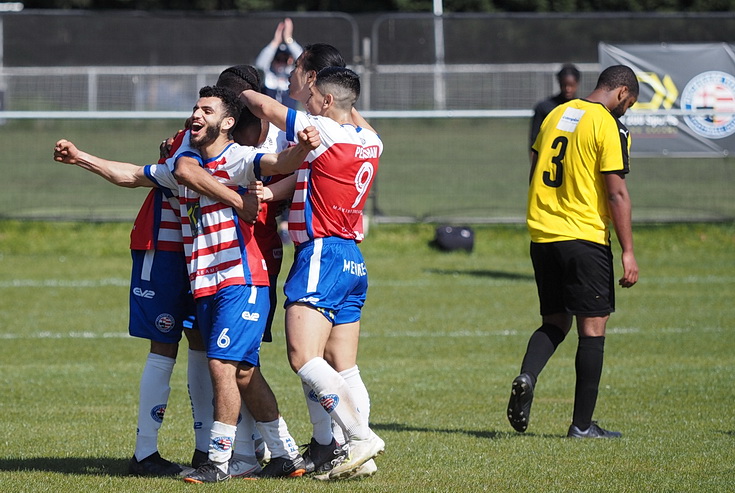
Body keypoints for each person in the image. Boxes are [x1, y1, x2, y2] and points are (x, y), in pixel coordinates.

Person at [53, 85, 321, 482]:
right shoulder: (182, 166)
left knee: (221, 364)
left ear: (227, 123)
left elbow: (281, 161)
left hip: (241, 278)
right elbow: (128, 174)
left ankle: (217, 460)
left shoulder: (240, 159)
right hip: (206, 283)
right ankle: (285, 455)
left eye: (207, 110)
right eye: (195, 108)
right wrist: (80, 158)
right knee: (244, 371)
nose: (196, 115)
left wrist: (303, 146)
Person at [241, 66, 385, 480]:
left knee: (303, 356)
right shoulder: (371, 141)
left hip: (321, 251)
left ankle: (359, 438)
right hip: (352, 258)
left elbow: (266, 107)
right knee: (344, 366)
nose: (304, 101)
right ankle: (360, 456)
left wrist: (244, 92)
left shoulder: (323, 132)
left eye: (311, 96)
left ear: (325, 102)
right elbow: (349, 119)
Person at [507, 65, 640, 439]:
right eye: (628, 104)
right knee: (592, 328)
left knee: (555, 321)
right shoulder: (607, 124)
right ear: (621, 92)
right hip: (583, 237)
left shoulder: (554, 115)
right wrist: (628, 251)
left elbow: (535, 170)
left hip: (543, 235)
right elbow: (616, 193)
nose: (625, 111)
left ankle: (528, 375)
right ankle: (582, 426)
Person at [529, 64, 581, 162]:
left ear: (577, 83)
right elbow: (534, 139)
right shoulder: (544, 107)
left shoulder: (582, 108)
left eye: (571, 85)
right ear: (559, 83)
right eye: (564, 85)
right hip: (549, 160)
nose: (568, 89)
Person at [255, 18, 303, 109]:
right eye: (278, 59)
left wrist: (288, 39)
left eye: (285, 59)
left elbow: (303, 59)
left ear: (291, 60)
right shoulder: (268, 76)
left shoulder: (294, 77)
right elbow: (260, 63)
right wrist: (275, 42)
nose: (282, 62)